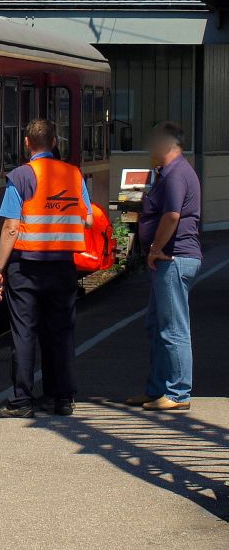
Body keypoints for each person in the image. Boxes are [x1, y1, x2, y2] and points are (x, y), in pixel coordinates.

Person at [0, 119, 92, 419]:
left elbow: (10, 226)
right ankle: (61, 398)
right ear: (56, 142)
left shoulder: (21, 176)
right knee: (60, 332)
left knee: (24, 332)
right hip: (63, 266)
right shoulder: (74, 175)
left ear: (26, 143)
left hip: (27, 266)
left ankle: (22, 401)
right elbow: (86, 219)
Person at [124, 121, 202, 411]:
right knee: (156, 325)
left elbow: (171, 215)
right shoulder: (168, 174)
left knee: (173, 328)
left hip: (174, 257)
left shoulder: (176, 175)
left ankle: (179, 392)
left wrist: (155, 248)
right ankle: (157, 389)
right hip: (171, 259)